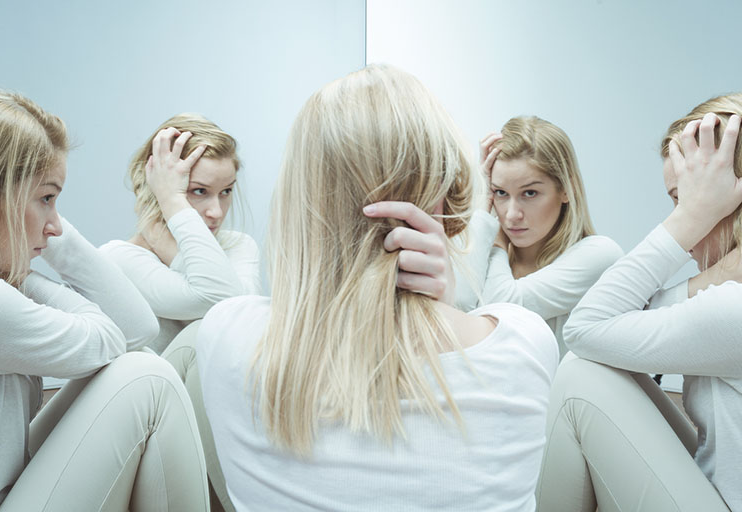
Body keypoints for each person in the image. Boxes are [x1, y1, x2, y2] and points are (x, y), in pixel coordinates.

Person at [197, 64, 558, 511]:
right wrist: (440, 304)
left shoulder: (228, 335)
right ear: (442, 192)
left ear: (300, 200)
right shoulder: (523, 344)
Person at [0, 87, 209, 510]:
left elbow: (137, 328)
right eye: (46, 199)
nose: (56, 225)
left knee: (165, 354)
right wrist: (24, 257)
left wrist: (28, 233)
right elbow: (111, 336)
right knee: (147, 377)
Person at [535, 96, 742, 511]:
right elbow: (627, 321)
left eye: (685, 198)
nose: (682, 214)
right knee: (597, 366)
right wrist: (720, 271)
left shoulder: (732, 310)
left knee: (579, 376)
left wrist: (688, 219)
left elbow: (585, 328)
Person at [368, 117, 622, 355]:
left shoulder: (599, 254)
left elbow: (500, 307)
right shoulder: (482, 250)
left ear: (567, 189)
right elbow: (458, 304)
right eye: (500, 193)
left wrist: (496, 242)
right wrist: (482, 199)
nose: (511, 214)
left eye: (530, 193)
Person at [100, 113, 261, 355]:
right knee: (198, 334)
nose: (216, 212)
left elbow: (244, 325)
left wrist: (167, 247)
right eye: (199, 191)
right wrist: (172, 199)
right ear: (158, 185)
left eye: (226, 191)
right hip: (163, 381)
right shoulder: (118, 259)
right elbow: (223, 304)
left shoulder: (238, 245)